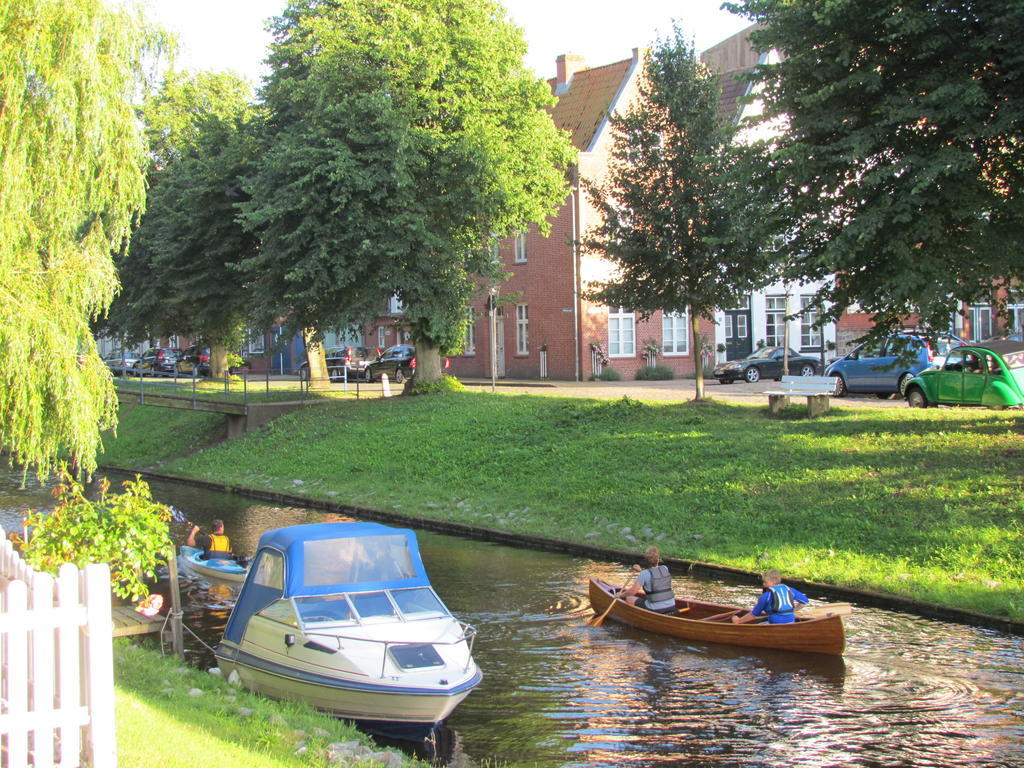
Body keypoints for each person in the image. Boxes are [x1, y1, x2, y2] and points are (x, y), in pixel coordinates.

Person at [732, 569, 809, 624]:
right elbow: (804, 602)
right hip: (791, 622)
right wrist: (793, 610)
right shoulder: (790, 590)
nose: (763, 584)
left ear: (774, 582)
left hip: (775, 624)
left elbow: (754, 614)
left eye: (765, 582)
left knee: (758, 624)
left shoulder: (766, 596)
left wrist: (738, 621)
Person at [619, 545, 677, 614]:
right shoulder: (665, 568)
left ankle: (637, 618)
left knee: (629, 598)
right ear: (658, 559)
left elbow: (632, 591)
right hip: (672, 605)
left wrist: (620, 595)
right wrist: (640, 571)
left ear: (646, 560)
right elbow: (654, 576)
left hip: (656, 609)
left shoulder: (644, 574)